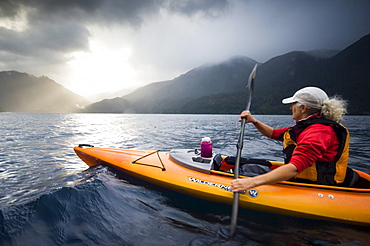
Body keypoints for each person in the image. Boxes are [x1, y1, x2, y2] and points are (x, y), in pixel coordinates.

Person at [231, 86, 358, 193]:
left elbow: (295, 167)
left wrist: (251, 182)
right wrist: (254, 121)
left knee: (248, 173)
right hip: (300, 179)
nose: (291, 107)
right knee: (249, 168)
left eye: (293, 104)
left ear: (303, 108)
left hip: (313, 187)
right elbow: (272, 133)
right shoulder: (307, 127)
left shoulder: (319, 132)